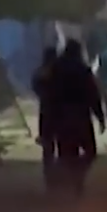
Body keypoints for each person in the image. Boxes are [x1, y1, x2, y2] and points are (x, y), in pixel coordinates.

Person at [45, 40, 105, 196]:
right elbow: (93, 95)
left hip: (61, 119)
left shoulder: (55, 70)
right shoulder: (83, 70)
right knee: (90, 151)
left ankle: (70, 182)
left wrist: (49, 122)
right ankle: (77, 180)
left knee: (67, 154)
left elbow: (49, 96)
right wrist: (100, 117)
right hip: (81, 118)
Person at [33, 46, 62, 189]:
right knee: (62, 146)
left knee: (48, 148)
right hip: (60, 114)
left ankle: (50, 179)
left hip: (46, 113)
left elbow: (37, 89)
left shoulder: (41, 72)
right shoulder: (61, 73)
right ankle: (61, 177)